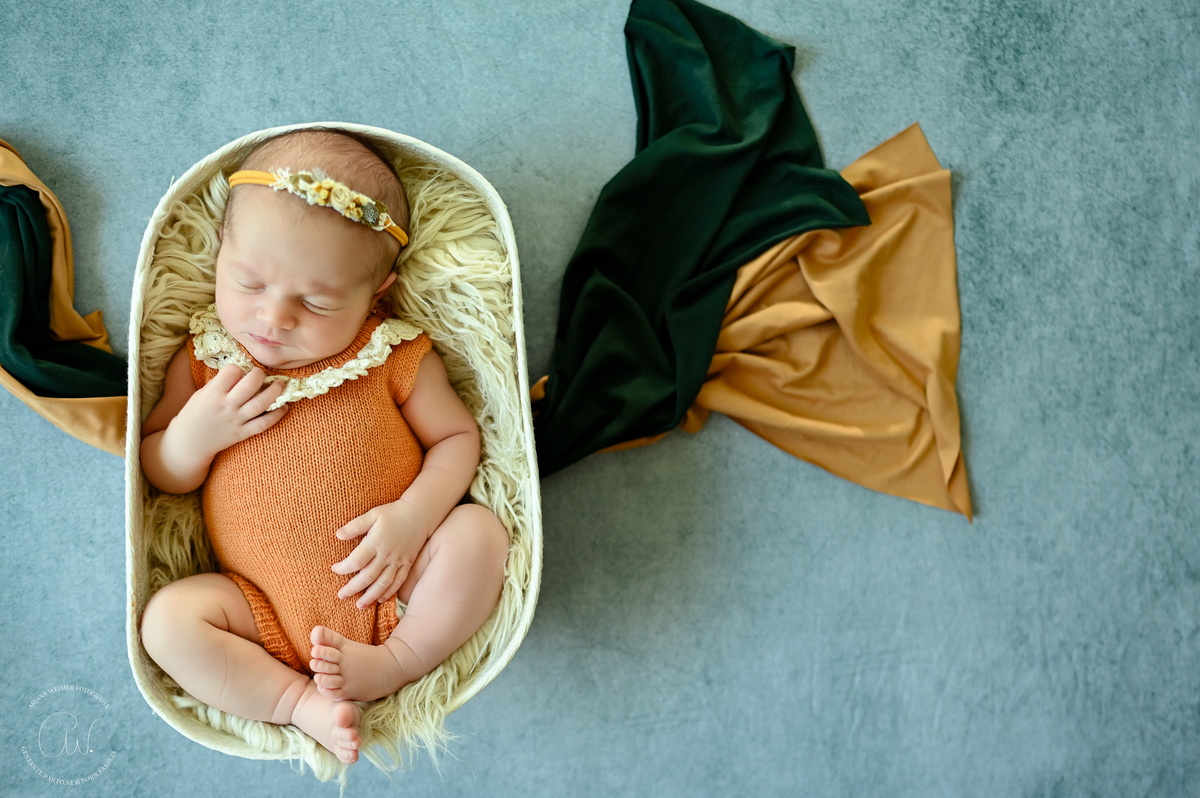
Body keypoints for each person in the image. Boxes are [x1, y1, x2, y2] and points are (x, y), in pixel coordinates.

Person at [138, 129, 509, 765]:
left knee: (479, 534)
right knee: (167, 623)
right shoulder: (206, 358)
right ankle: (294, 701)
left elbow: (457, 437)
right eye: (249, 283)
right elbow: (160, 470)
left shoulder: (389, 355)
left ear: (376, 293)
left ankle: (398, 661)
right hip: (257, 608)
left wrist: (414, 517)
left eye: (316, 302)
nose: (274, 318)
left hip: (394, 589)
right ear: (220, 251)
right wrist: (190, 439)